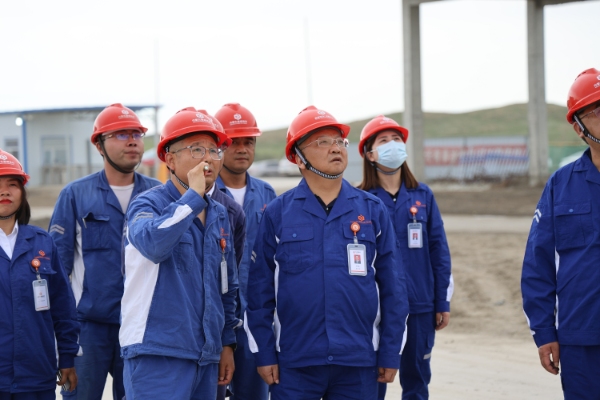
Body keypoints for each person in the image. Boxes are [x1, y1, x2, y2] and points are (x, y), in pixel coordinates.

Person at [245, 106, 409, 400]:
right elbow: (259, 292)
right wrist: (264, 352)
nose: (336, 148)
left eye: (339, 141)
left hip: (359, 361)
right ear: (298, 157)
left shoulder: (372, 210)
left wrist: (390, 350)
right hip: (295, 362)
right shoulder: (278, 213)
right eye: (322, 142)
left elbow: (394, 288)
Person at [120, 107, 239, 399]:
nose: (208, 158)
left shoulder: (220, 214)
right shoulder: (147, 204)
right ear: (170, 160)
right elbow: (153, 244)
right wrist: (192, 198)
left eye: (215, 150)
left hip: (206, 356)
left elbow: (226, 286)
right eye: (196, 149)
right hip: (156, 354)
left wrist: (226, 343)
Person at [48, 103, 160, 400]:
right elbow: (56, 270)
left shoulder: (158, 195)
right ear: (99, 145)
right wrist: (60, 334)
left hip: (142, 327)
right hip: (87, 328)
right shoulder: (75, 195)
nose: (133, 141)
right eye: (121, 135)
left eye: (137, 134)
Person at [357, 116, 453, 400]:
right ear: (370, 154)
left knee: (417, 381)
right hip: (377, 309)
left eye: (397, 139)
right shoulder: (360, 199)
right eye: (384, 141)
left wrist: (441, 301)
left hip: (420, 304)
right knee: (373, 381)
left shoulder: (423, 195)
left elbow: (439, 251)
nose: (393, 145)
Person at [522, 67, 600, 399]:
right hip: (581, 338)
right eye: (597, 110)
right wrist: (544, 331)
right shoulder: (561, 185)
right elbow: (537, 264)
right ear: (579, 127)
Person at [0, 149, 80, 399]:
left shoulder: (42, 242)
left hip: (36, 376)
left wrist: (67, 356)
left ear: (22, 192)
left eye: (12, 184)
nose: (4, 192)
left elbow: (62, 305)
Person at [214, 103, 276, 400]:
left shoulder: (267, 194)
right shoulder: (203, 192)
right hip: (213, 320)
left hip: (255, 319)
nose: (242, 148)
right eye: (233, 142)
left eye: (248, 141)